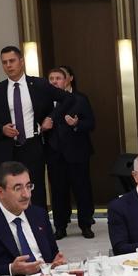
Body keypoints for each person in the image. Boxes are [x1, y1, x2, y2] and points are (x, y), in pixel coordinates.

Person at [0, 45, 69, 213]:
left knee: (36, 191)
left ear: (21, 61)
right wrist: (1, 129)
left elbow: (67, 99)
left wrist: (51, 118)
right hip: (7, 148)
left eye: (12, 61)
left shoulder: (39, 84)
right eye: (4, 62)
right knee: (10, 191)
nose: (9, 65)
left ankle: (39, 225)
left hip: (32, 145)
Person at [43, 65, 98, 241]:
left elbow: (91, 123)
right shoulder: (44, 101)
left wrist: (76, 124)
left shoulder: (79, 99)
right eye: (51, 79)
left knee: (82, 189)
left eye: (58, 78)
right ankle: (60, 226)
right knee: (58, 191)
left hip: (77, 152)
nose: (54, 82)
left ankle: (85, 224)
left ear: (67, 80)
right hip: (54, 153)